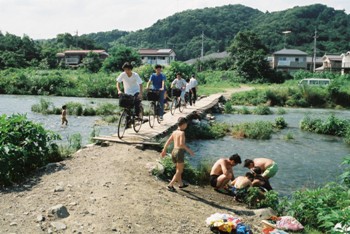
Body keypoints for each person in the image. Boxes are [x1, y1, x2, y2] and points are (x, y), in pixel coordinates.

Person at [161, 117, 194, 192]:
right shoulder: (182, 133)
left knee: (177, 169)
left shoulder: (174, 132)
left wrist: (164, 150)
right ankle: (170, 185)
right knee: (180, 170)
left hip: (174, 151)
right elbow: (182, 144)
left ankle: (181, 184)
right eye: (186, 125)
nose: (186, 126)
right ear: (183, 124)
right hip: (179, 152)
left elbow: (168, 141)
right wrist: (189, 150)